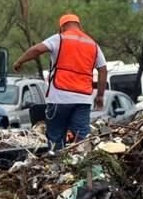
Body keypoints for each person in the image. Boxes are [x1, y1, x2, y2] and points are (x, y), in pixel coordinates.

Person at [12, 13, 107, 150]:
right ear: (79, 26)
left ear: (62, 27)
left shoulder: (60, 39)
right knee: (82, 137)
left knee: (56, 136)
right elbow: (103, 69)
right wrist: (100, 96)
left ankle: (57, 166)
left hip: (60, 96)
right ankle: (84, 164)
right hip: (83, 99)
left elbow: (37, 49)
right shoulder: (92, 44)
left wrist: (19, 61)